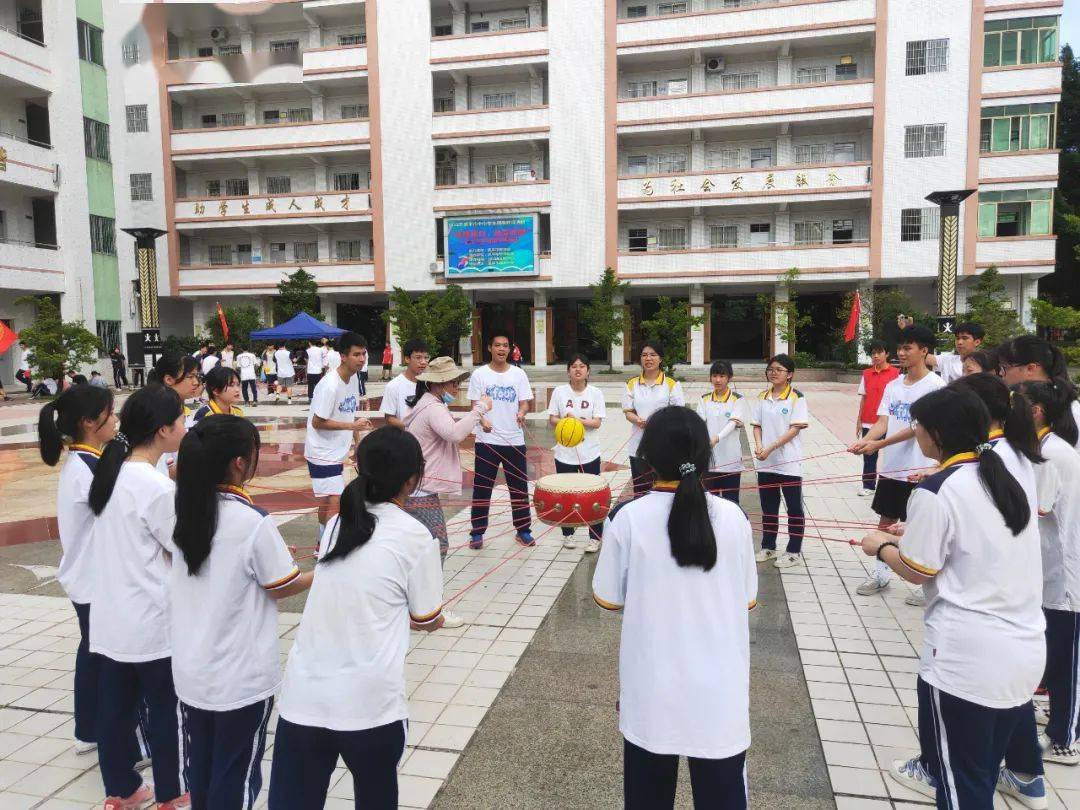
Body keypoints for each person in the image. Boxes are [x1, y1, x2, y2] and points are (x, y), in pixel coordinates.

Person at [861, 386, 1044, 810]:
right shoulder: (1004, 474)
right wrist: (914, 535)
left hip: (967, 661)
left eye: (918, 425)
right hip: (1025, 649)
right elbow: (973, 544)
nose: (915, 432)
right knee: (979, 771)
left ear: (938, 433)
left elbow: (918, 569)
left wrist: (880, 547)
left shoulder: (937, 488)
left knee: (963, 786)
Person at [269, 428, 444, 810]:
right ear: (412, 479)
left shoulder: (339, 522)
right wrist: (438, 620)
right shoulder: (417, 536)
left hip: (304, 697)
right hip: (370, 704)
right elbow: (425, 617)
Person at [592, 406, 756, 809]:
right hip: (720, 692)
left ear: (647, 457)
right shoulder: (734, 518)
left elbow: (608, 597)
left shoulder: (627, 518)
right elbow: (747, 598)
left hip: (652, 688)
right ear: (706, 455)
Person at [171, 415, 312, 809]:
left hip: (192, 672)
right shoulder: (252, 521)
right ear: (238, 462)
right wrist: (323, 572)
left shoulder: (182, 509)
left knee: (201, 768)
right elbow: (282, 584)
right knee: (235, 774)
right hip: (239, 678)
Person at [86, 385, 190, 809]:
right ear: (163, 429)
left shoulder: (112, 474)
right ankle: (173, 792)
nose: (185, 427)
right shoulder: (155, 487)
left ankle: (121, 790)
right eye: (181, 420)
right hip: (151, 621)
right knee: (167, 710)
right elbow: (182, 549)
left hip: (112, 619)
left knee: (115, 712)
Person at [38, 385, 118, 755]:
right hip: (93, 579)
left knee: (93, 653)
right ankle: (96, 732)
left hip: (88, 577)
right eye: (109, 413)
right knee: (101, 658)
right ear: (88, 422)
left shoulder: (86, 462)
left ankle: (89, 730)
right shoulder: (86, 468)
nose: (115, 420)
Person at [851, 325, 945, 600]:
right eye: (900, 348)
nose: (901, 353)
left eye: (908, 348)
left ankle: (927, 585)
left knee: (921, 527)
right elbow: (884, 421)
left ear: (924, 351)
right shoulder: (893, 386)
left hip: (921, 469)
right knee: (886, 522)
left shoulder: (936, 386)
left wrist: (877, 445)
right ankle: (881, 575)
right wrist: (866, 441)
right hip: (892, 467)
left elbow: (918, 427)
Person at [1014, 380, 1080, 764]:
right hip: (1050, 569)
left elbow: (1033, 509)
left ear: (1036, 411)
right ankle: (1059, 719)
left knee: (1066, 659)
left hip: (1066, 574)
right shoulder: (1044, 447)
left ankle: (1064, 738)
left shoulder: (1052, 453)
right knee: (1053, 652)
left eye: (1017, 404)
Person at [402, 356, 492, 629]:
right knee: (436, 547)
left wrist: (476, 419)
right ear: (438, 384)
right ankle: (430, 610)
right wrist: (479, 410)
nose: (456, 386)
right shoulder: (432, 407)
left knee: (423, 548)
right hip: (421, 491)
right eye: (453, 382)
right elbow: (453, 434)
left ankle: (416, 606)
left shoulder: (429, 403)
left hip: (417, 488)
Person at [467, 331, 535, 549]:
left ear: (510, 349)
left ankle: (523, 530)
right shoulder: (479, 375)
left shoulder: (518, 374)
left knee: (519, 487)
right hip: (486, 440)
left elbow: (525, 402)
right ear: (490, 348)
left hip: (514, 440)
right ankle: (477, 532)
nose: (501, 349)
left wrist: (522, 412)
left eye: (505, 345)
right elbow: (474, 405)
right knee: (482, 487)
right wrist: (482, 419)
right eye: (497, 345)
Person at [305, 332, 372, 542]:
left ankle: (321, 542)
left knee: (327, 500)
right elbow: (317, 422)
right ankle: (330, 544)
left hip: (336, 451)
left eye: (364, 354)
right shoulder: (329, 385)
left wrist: (357, 444)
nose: (361, 359)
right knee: (336, 499)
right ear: (343, 356)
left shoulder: (353, 379)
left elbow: (349, 414)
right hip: (321, 452)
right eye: (356, 354)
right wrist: (352, 426)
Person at [751, 353, 809, 569]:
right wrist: (759, 445)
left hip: (788, 463)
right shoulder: (762, 396)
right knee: (768, 507)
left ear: (790, 374)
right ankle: (768, 546)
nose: (773, 373)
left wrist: (770, 447)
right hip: (765, 462)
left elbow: (794, 429)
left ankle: (794, 551)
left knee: (794, 508)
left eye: (779, 370)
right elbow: (757, 425)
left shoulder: (797, 397)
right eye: (770, 369)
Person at [548, 353, 607, 551]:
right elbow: (553, 419)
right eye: (574, 366)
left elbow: (597, 422)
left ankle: (595, 537)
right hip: (564, 454)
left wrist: (577, 422)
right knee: (565, 496)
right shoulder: (559, 392)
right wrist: (566, 422)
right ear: (568, 371)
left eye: (582, 366)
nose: (578, 369)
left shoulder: (595, 393)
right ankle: (568, 534)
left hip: (589, 453)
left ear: (588, 371)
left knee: (592, 495)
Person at [622, 343, 685, 497]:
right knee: (640, 492)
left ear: (660, 359)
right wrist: (637, 420)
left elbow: (678, 414)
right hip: (638, 446)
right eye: (644, 355)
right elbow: (628, 412)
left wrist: (658, 424)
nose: (648, 358)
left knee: (663, 492)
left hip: (664, 447)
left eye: (653, 355)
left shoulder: (671, 384)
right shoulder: (632, 383)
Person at [998, 335, 1080, 451]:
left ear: (1031, 368)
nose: (1001, 373)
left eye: (1004, 367)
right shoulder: (1017, 402)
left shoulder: (1072, 411)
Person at [696, 360, 747, 506]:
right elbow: (699, 423)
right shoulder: (704, 399)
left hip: (731, 461)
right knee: (710, 503)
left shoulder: (738, 399)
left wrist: (716, 438)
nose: (717, 380)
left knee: (731, 502)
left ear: (729, 378)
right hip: (709, 461)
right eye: (714, 376)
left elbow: (732, 423)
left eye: (722, 376)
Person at [148, 353, 204, 479]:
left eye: (197, 376)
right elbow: (161, 471)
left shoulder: (184, 409)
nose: (196, 382)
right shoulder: (158, 415)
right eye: (190, 377)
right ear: (169, 380)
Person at [855, 341, 899, 496]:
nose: (875, 356)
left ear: (887, 354)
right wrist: (859, 420)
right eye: (873, 353)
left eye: (879, 352)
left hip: (889, 422)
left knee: (892, 453)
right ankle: (868, 486)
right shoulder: (866, 373)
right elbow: (864, 397)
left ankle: (891, 485)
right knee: (869, 455)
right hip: (868, 421)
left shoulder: (896, 373)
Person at [381, 338, 429, 429]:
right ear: (407, 359)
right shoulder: (393, 386)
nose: (423, 362)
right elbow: (389, 418)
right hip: (406, 436)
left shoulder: (431, 384)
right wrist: (413, 428)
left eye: (426, 357)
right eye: (418, 357)